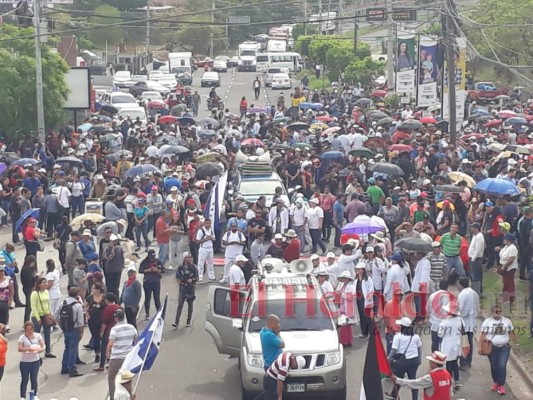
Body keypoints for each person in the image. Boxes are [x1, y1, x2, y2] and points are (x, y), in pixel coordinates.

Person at [480, 304, 517, 395]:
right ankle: (496, 382)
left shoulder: (507, 321)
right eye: (496, 312)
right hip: (491, 347)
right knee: (494, 365)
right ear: (492, 313)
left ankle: (501, 385)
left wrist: (516, 343)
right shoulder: (487, 322)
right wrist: (480, 346)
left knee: (501, 365)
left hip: (504, 347)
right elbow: (483, 334)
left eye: (500, 311)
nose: (499, 313)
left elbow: (511, 333)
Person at [106, 309, 137, 400]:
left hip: (116, 357)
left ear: (116, 318)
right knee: (127, 378)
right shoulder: (131, 327)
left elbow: (111, 343)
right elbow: (136, 340)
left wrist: (107, 353)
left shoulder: (115, 329)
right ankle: (129, 395)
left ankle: (112, 397)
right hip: (128, 357)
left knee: (111, 377)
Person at [388, 317, 422, 400]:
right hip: (414, 360)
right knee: (413, 380)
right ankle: (415, 398)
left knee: (399, 379)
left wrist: (388, 360)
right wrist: (419, 360)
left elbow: (393, 350)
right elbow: (419, 348)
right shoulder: (416, 336)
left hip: (403, 362)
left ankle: (394, 395)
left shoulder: (398, 337)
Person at [59, 287, 85, 378]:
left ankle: (64, 367)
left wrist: (61, 326)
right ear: (76, 295)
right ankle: (72, 369)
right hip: (75, 328)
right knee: (73, 349)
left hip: (66, 328)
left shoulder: (63, 303)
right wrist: (81, 332)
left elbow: (56, 315)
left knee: (67, 347)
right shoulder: (78, 306)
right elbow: (81, 321)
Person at [438, 303, 464, 388]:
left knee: (448, 364)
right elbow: (463, 331)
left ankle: (449, 382)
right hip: (457, 345)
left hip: (447, 345)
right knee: (455, 363)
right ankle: (457, 381)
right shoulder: (460, 320)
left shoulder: (445, 322)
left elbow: (440, 334)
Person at [18, 321, 45, 400]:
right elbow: (19, 348)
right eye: (27, 330)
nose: (29, 331)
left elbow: (43, 345)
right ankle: (22, 396)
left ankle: (34, 395)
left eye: (30, 329)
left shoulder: (38, 336)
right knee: (24, 379)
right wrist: (29, 349)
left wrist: (40, 350)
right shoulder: (22, 337)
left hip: (35, 361)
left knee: (34, 379)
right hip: (25, 362)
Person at [94, 292, 120, 372]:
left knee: (104, 348)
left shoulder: (108, 309)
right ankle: (111, 363)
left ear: (107, 300)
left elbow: (104, 322)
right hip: (117, 329)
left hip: (109, 330)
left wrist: (102, 332)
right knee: (114, 348)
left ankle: (102, 365)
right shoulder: (118, 307)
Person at [30, 277, 56, 358]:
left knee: (47, 333)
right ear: (39, 284)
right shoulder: (35, 293)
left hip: (46, 315)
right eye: (43, 282)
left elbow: (48, 304)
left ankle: (48, 351)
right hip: (37, 315)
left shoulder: (46, 292)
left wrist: (50, 314)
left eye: (46, 282)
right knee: (36, 335)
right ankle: (35, 352)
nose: (45, 284)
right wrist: (38, 318)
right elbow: (33, 306)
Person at [457, 277, 479, 370]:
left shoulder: (462, 294)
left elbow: (460, 308)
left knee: (464, 342)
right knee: (470, 342)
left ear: (460, 284)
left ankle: (464, 362)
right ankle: (468, 361)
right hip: (472, 321)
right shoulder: (474, 293)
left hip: (464, 322)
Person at [173, 252, 198, 329]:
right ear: (185, 258)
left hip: (191, 289)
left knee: (190, 305)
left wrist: (192, 280)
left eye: (191, 257)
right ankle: (176, 322)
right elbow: (177, 278)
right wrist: (181, 283)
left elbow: (197, 278)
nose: (190, 258)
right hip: (183, 289)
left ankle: (188, 321)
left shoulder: (194, 267)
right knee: (180, 305)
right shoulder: (180, 267)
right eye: (188, 257)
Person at [139, 249, 163, 321]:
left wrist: (157, 270)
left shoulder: (157, 261)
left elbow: (163, 269)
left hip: (156, 282)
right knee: (147, 298)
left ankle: (159, 313)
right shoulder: (144, 262)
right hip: (147, 282)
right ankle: (147, 314)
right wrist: (148, 270)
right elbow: (140, 270)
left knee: (157, 298)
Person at [337, 270, 358, 346]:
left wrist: (342, 294)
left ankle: (344, 341)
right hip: (343, 306)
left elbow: (351, 297)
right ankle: (348, 341)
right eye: (343, 278)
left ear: (348, 279)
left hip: (348, 307)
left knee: (344, 325)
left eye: (346, 278)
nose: (344, 279)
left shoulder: (351, 287)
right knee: (346, 326)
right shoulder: (341, 285)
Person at [86, 282, 106, 364]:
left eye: (94, 288)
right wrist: (87, 314)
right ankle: (97, 353)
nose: (92, 290)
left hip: (102, 321)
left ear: (98, 290)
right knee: (95, 337)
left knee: (104, 337)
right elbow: (85, 306)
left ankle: (105, 353)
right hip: (92, 321)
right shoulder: (90, 298)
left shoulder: (104, 298)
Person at [496, 233, 518, 306]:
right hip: (503, 266)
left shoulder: (513, 248)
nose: (504, 240)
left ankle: (510, 298)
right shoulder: (506, 247)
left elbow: (511, 258)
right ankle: (505, 296)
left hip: (510, 268)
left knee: (509, 282)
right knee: (505, 282)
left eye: (505, 239)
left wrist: (505, 266)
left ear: (509, 240)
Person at [354, 262, 374, 338]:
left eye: (359, 269)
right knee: (362, 317)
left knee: (367, 316)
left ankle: (371, 331)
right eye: (356, 269)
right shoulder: (356, 280)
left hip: (366, 300)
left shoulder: (368, 279)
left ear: (363, 270)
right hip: (359, 300)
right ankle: (364, 332)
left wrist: (369, 296)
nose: (357, 270)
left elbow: (371, 289)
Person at [467, 222, 485, 294]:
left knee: (476, 276)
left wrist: (473, 259)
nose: (471, 228)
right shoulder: (475, 236)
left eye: (472, 227)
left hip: (476, 259)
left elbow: (478, 250)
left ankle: (477, 292)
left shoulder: (479, 237)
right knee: (473, 276)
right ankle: (476, 290)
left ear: (476, 228)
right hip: (473, 258)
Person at [196, 218, 215, 282]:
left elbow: (214, 238)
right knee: (201, 263)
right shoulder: (201, 231)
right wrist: (206, 239)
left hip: (210, 248)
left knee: (211, 263)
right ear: (204, 223)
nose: (208, 224)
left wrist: (212, 238)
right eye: (207, 223)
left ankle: (211, 276)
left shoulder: (211, 229)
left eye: (209, 223)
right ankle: (200, 277)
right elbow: (197, 241)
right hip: (203, 249)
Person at [21, 255, 38, 323]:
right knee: (29, 306)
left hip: (28, 288)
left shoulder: (28, 269)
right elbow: (29, 280)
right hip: (28, 289)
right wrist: (36, 277)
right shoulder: (26, 270)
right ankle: (26, 320)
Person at [0, 265, 14, 331]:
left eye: (2, 271)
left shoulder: (8, 279)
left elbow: (12, 290)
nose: (2, 273)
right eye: (0, 271)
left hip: (5, 300)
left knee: (4, 315)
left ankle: (4, 328)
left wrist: (10, 299)